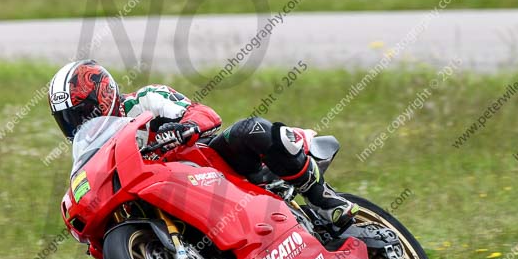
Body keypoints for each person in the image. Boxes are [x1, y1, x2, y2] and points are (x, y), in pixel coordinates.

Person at [48, 60, 358, 230]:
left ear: (103, 96)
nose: (78, 124)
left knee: (249, 129)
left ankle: (321, 198)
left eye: (81, 113)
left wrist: (185, 128)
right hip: (168, 193)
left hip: (209, 163)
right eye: (68, 120)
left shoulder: (146, 99)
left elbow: (206, 114)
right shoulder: (95, 149)